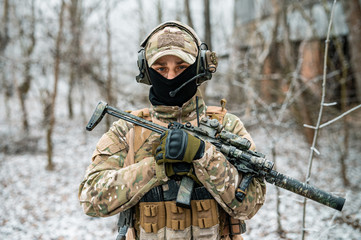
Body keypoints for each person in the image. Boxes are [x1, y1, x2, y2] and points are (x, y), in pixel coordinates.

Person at [79, 21, 266, 240]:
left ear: (199, 69)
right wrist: (157, 169)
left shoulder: (226, 127)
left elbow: (251, 203)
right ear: (146, 71)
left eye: (181, 67)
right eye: (160, 68)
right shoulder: (127, 130)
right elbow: (91, 199)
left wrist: (203, 155)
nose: (170, 77)